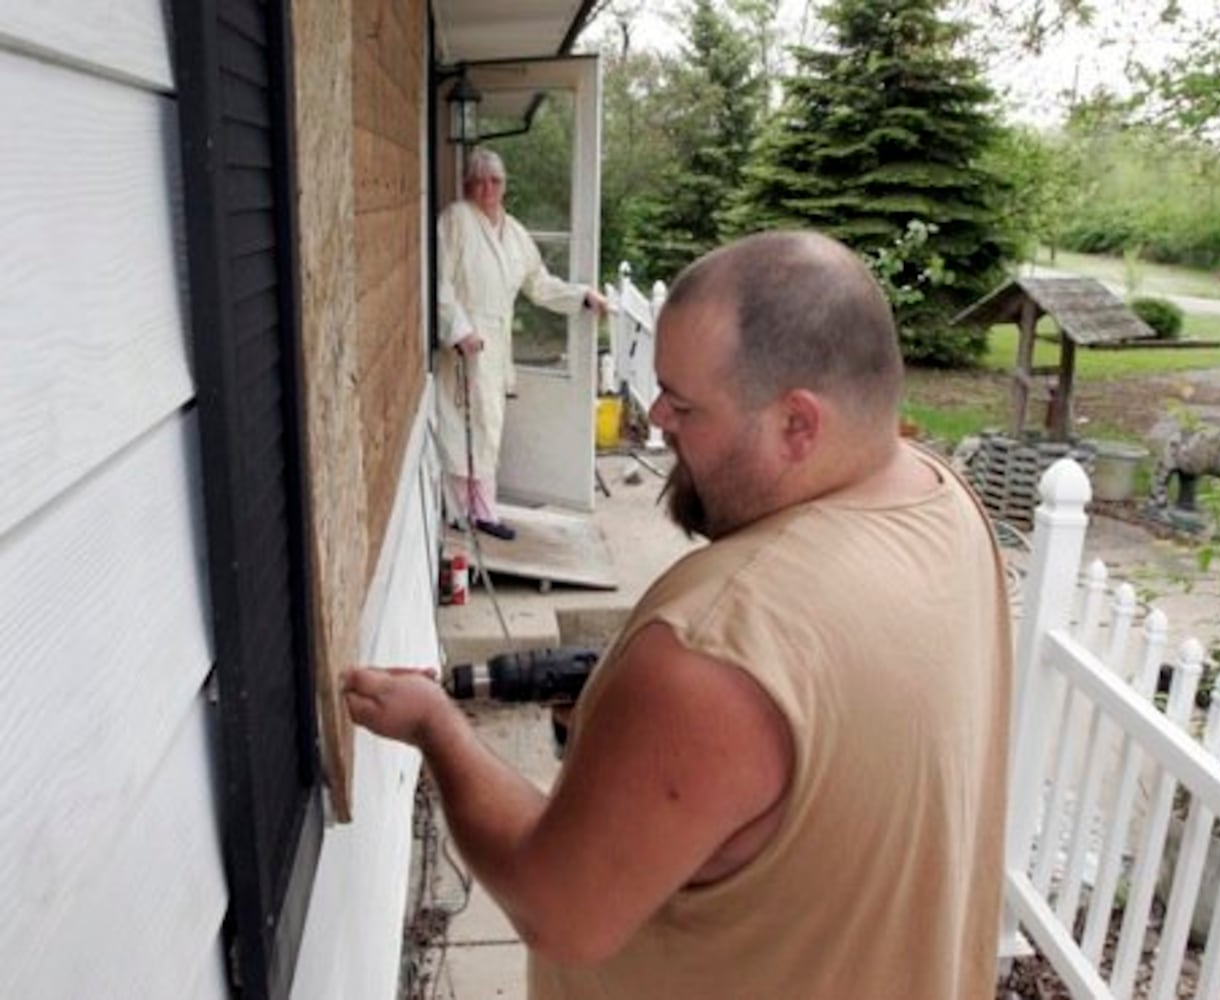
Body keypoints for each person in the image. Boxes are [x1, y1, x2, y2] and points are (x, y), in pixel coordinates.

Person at [347, 231, 1012, 998]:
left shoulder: (717, 643)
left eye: (684, 403)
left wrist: (436, 728)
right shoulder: (943, 503)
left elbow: (559, 909)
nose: (656, 415)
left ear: (799, 424)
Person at [435, 148, 607, 540]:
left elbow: (539, 284)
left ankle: (482, 509)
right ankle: (468, 512)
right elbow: (439, 280)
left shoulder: (513, 232)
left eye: (494, 180)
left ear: (505, 185)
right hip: (465, 342)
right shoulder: (456, 220)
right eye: (478, 181)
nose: (486, 188)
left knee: (489, 425)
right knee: (464, 423)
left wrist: (582, 296)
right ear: (467, 185)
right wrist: (459, 329)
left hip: (496, 344)